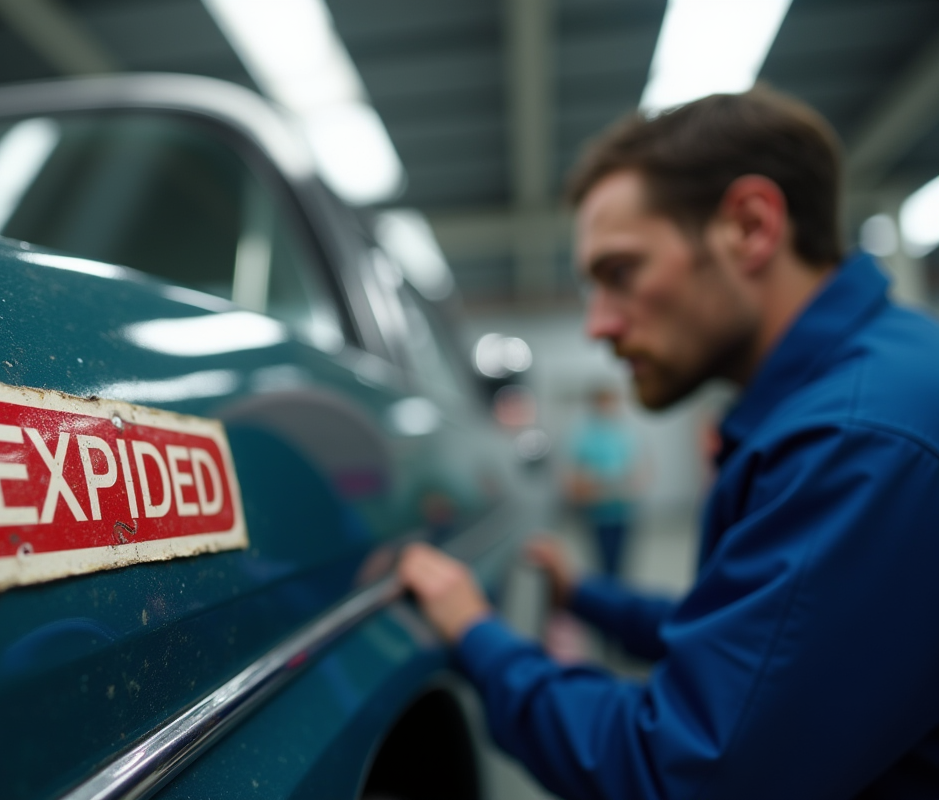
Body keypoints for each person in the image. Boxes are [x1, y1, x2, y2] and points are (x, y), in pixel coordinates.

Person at [398, 87, 939, 799]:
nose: (597, 325)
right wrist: (590, 597)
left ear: (749, 227)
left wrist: (479, 638)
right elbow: (755, 648)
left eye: (620, 272)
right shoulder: (860, 390)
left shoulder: (856, 440)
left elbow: (680, 771)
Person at [564, 386, 638, 581]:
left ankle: (617, 601)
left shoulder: (622, 433)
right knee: (603, 565)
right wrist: (593, 485)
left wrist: (628, 484)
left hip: (622, 510)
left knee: (621, 564)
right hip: (598, 512)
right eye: (604, 402)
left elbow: (637, 469)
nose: (608, 407)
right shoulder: (585, 436)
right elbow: (574, 478)